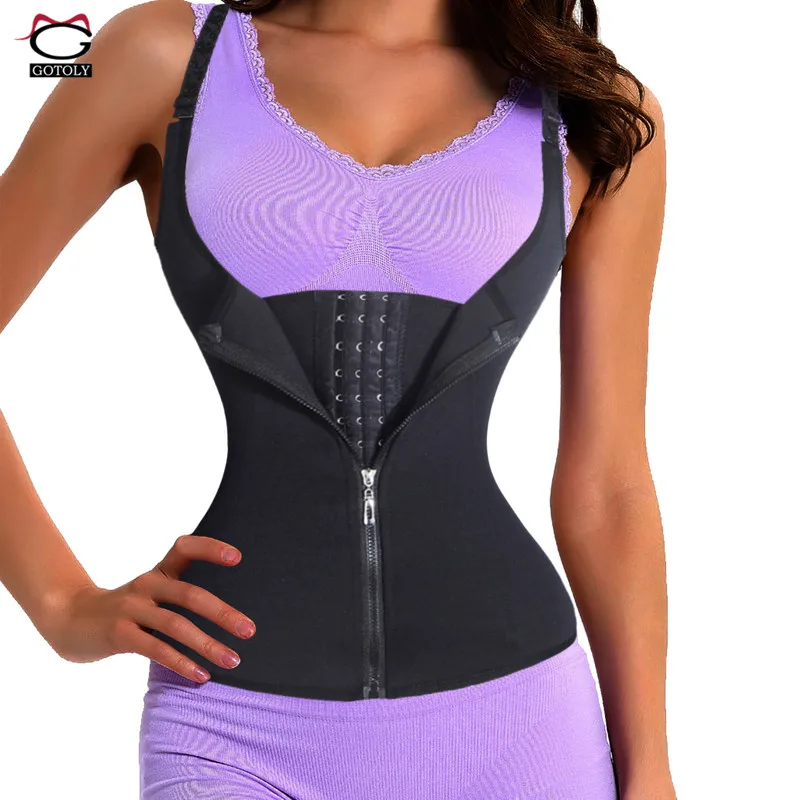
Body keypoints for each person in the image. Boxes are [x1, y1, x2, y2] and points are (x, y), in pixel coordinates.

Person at [0, 0, 672, 798]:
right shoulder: (164, 55)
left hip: (520, 728)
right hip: (232, 725)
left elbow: (609, 484)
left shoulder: (591, 107)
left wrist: (651, 770)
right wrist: (61, 604)